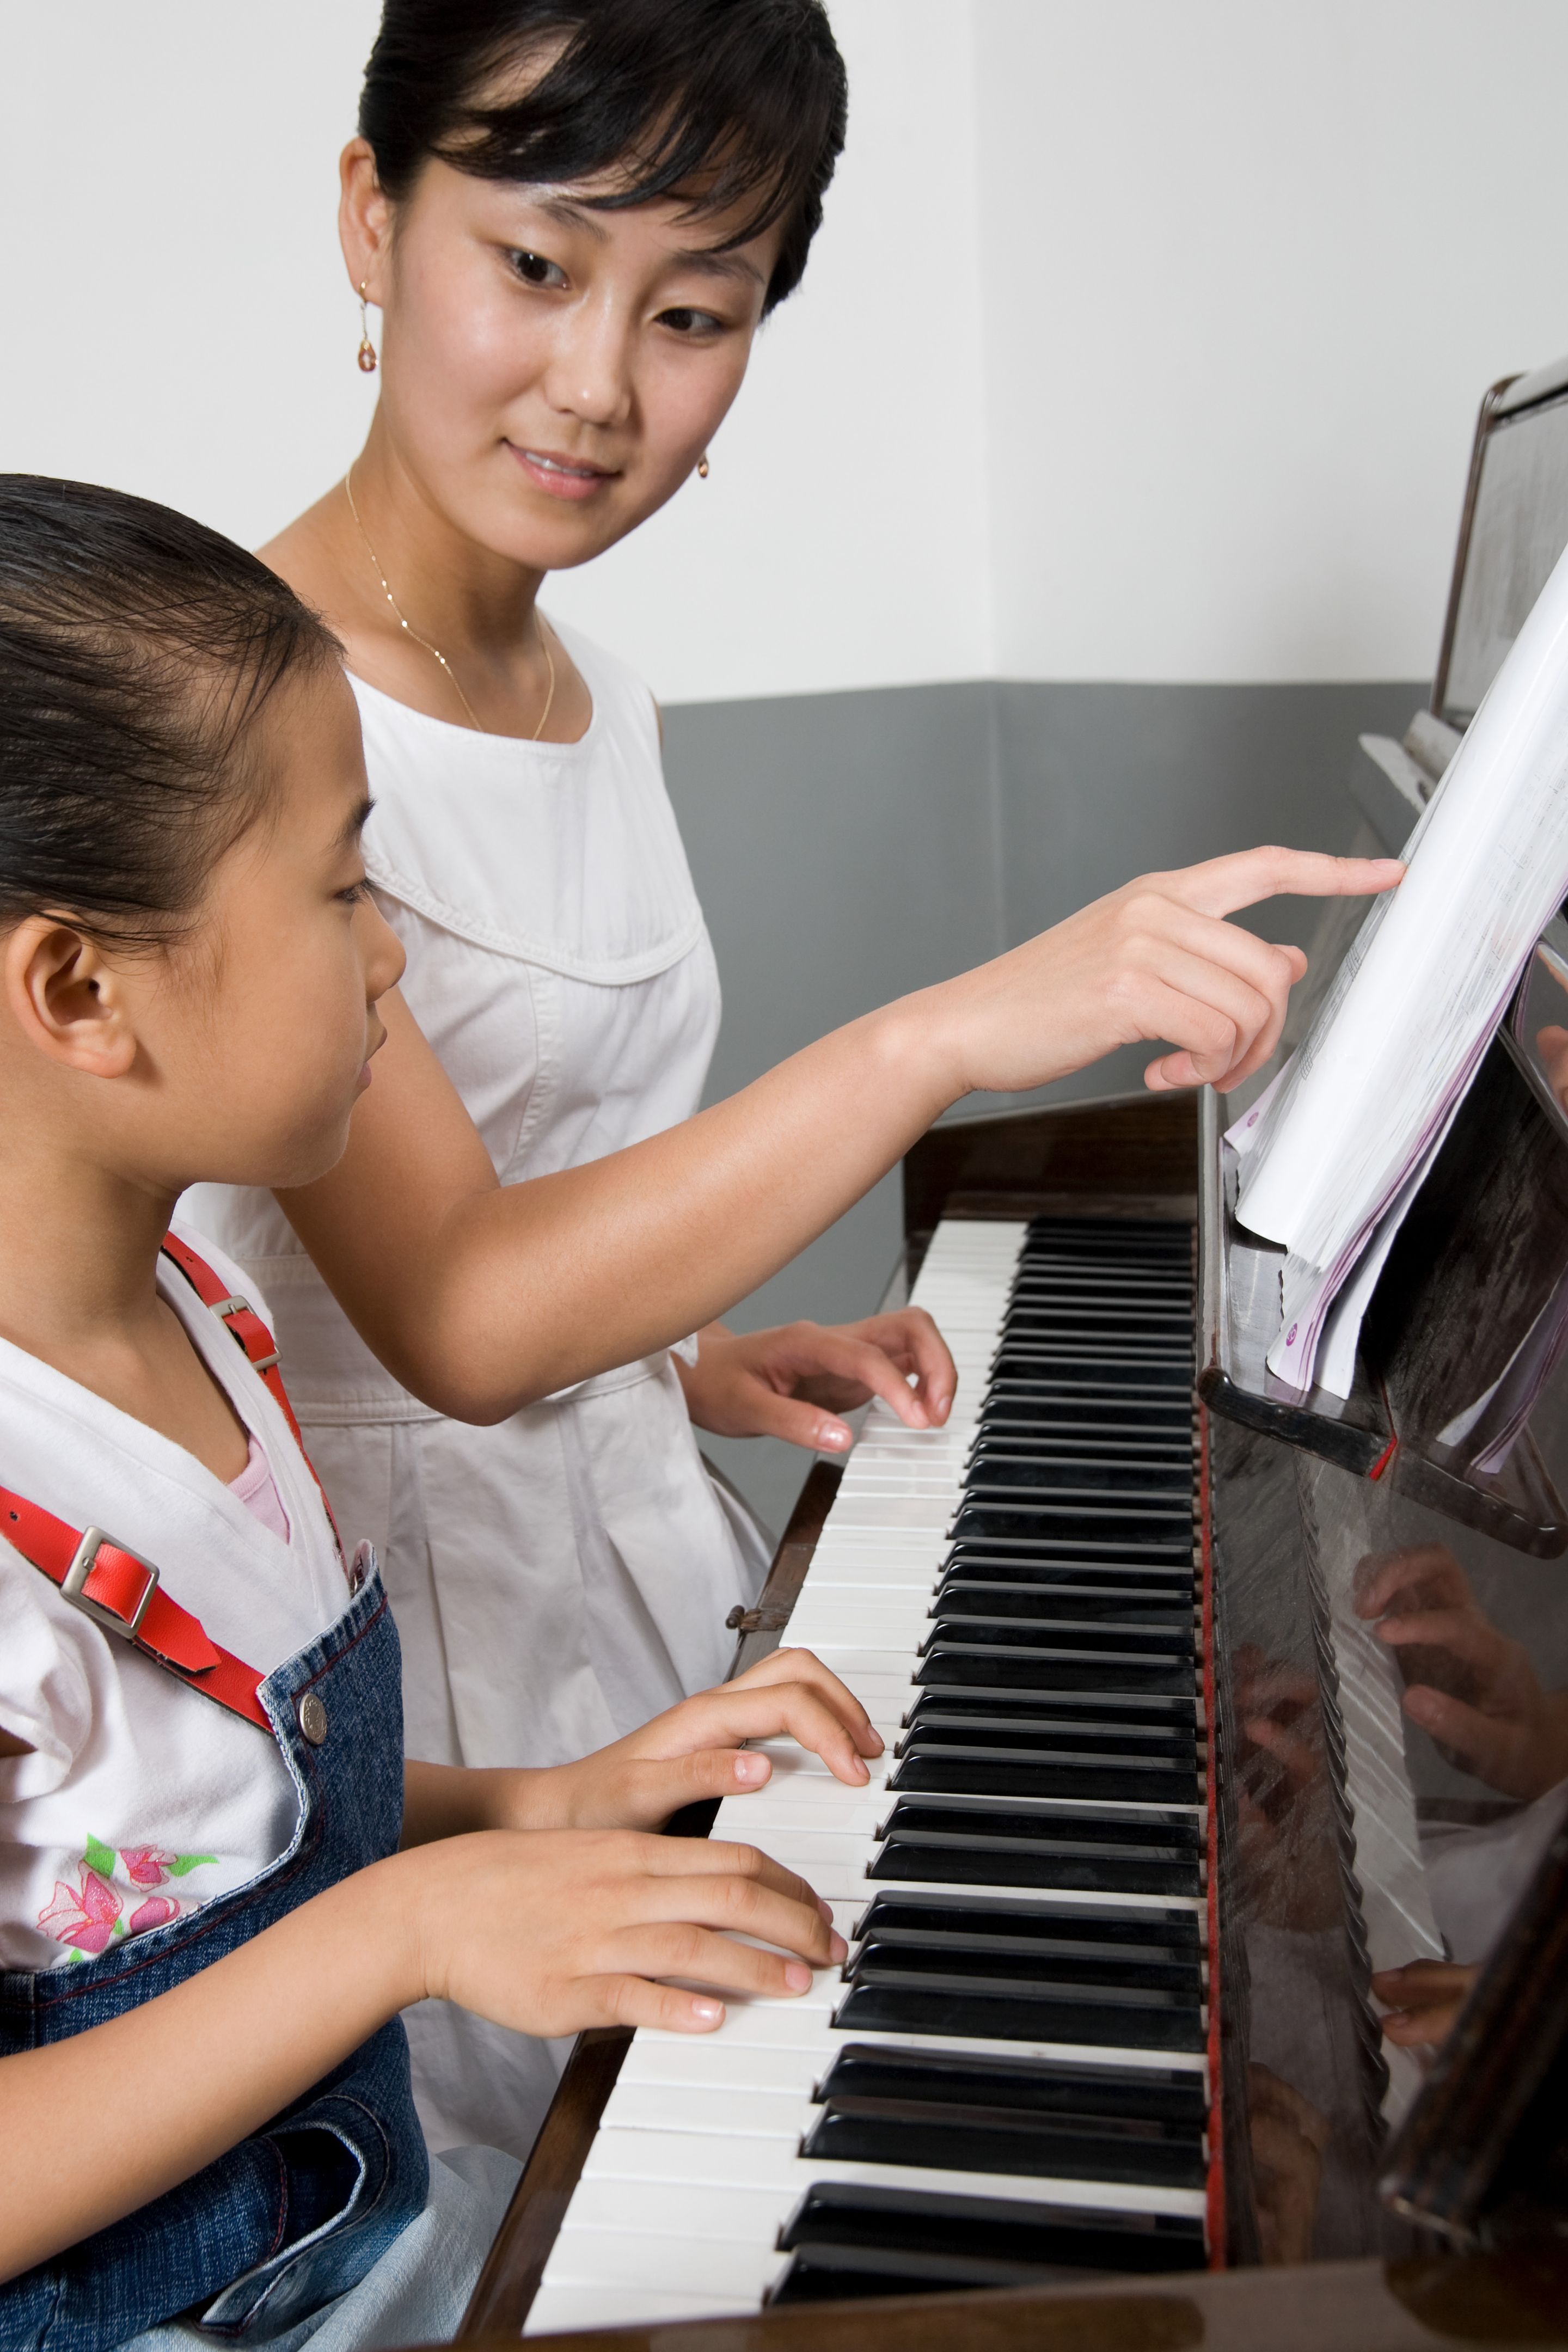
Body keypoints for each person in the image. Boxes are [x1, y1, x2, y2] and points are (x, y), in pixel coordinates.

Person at [185, 0, 1402, 2155]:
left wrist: (691, 1358)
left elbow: (540, 1218)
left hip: (642, 1578)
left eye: (695, 310)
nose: (597, 383)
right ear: (372, 218)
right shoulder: (240, 715)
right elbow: (455, 1319)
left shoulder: (600, 692)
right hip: (419, 1683)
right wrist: (940, 1031)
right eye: (539, 265)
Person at [0, 477, 883, 2350]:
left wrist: (538, 1804)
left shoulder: (196, 1317)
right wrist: (408, 1932)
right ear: (80, 988)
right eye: (343, 891)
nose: (394, 957)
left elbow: (194, 1821)